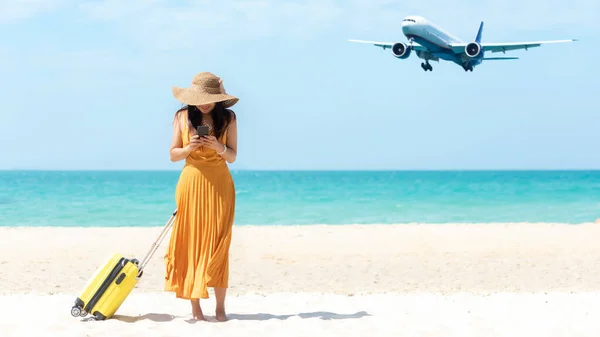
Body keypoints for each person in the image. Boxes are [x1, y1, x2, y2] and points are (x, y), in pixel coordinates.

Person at [164, 71, 238, 322]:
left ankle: (220, 307)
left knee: (219, 244)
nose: (203, 103)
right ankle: (195, 307)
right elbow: (173, 155)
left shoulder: (228, 118)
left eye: (208, 98)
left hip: (220, 183)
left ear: (218, 97)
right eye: (198, 98)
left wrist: (219, 147)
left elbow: (233, 156)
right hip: (192, 181)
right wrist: (188, 148)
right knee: (192, 242)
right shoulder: (183, 117)